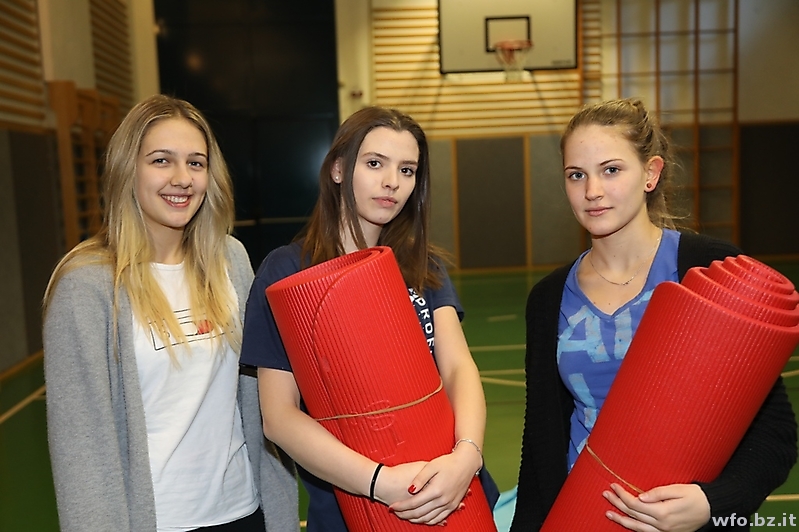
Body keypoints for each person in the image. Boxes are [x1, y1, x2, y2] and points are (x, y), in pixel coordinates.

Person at [510, 98, 797, 532]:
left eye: (611, 170)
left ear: (651, 173)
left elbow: (774, 432)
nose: (592, 191)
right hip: (582, 516)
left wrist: (712, 503)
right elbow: (539, 445)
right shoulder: (548, 298)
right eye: (576, 175)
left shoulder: (710, 269)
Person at [43, 95, 299, 532]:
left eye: (196, 163)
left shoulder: (231, 260)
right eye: (162, 160)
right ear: (128, 169)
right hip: (155, 521)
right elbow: (82, 452)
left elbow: (259, 399)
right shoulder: (86, 286)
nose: (182, 178)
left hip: (243, 512)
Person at [240, 106, 498, 531]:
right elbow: (279, 417)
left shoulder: (423, 265)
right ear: (339, 169)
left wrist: (467, 455)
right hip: (354, 508)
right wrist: (379, 483)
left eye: (407, 170)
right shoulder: (287, 270)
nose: (392, 181)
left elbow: (457, 367)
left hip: (450, 492)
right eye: (375, 163)